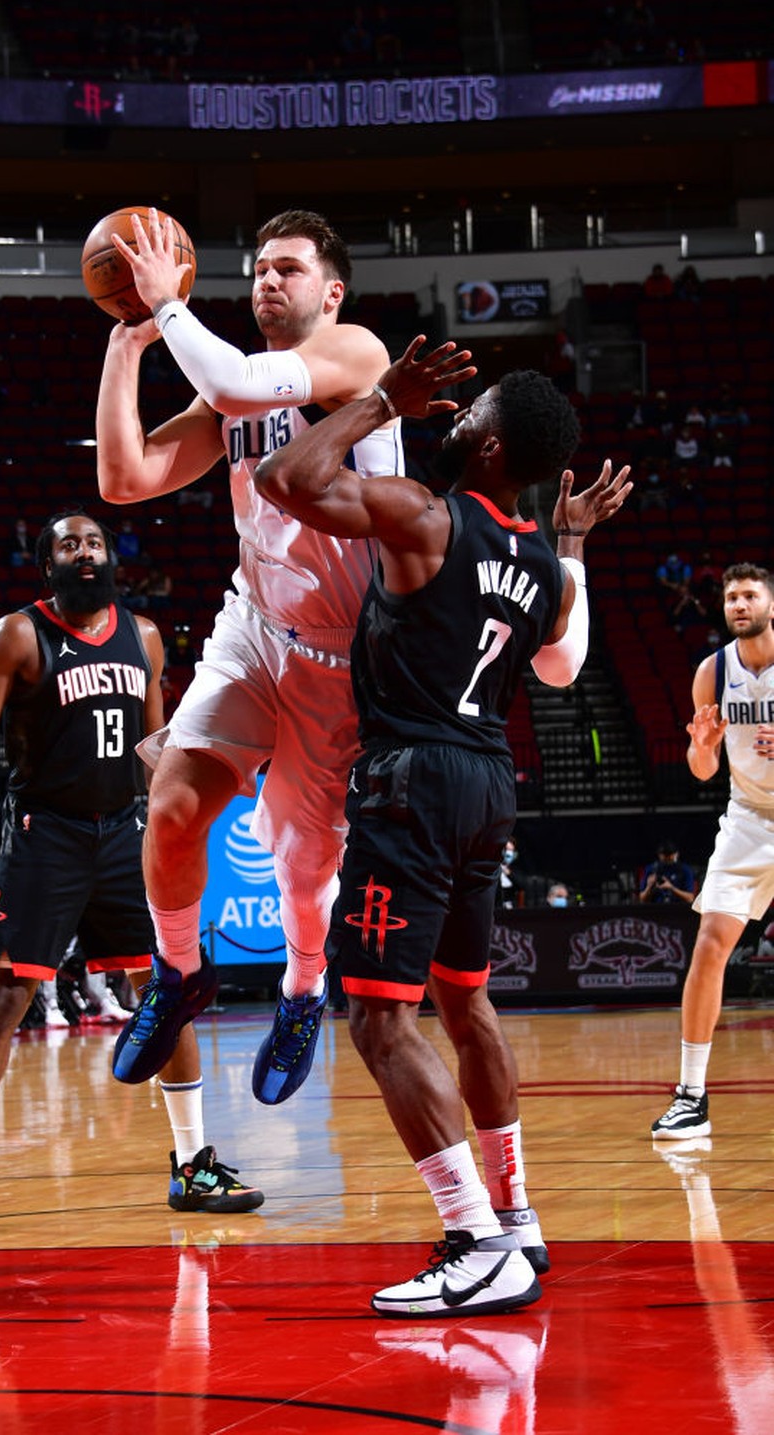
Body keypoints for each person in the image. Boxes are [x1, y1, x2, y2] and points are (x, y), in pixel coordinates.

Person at [252, 335, 631, 1316]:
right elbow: (563, 664)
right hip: (488, 781)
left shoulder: (427, 517)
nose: (453, 422)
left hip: (411, 780)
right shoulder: (545, 571)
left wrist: (383, 400)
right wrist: (574, 540)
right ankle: (517, 1216)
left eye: (472, 415)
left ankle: (473, 1239)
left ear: (496, 451)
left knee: (382, 1017)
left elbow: (284, 478)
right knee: (467, 1003)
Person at [97, 207, 403, 1105]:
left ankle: (304, 990)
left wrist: (167, 304)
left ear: (331, 290)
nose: (268, 281)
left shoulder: (358, 355)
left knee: (304, 870)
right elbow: (126, 478)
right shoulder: (229, 389)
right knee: (175, 805)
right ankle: (180, 971)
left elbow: (232, 381)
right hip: (253, 626)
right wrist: (128, 341)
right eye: (260, 268)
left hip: (342, 660)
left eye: (290, 269)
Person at [0, 510, 263, 1235]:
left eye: (94, 543)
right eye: (68, 545)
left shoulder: (142, 635)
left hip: (124, 832)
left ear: (112, 557)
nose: (84, 553)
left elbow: (157, 745)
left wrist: (171, 829)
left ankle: (193, 1163)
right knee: (7, 996)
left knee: (167, 991)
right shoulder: (17, 635)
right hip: (44, 832)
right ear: (46, 563)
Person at [651, 563, 774, 1141]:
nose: (740, 604)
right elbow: (702, 770)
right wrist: (702, 746)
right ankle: (691, 1097)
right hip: (749, 819)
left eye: (750, 595)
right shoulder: (712, 671)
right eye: (731, 597)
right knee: (710, 944)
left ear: (770, 603)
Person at [638, 841, 697, 906]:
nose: (667, 858)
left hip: (678, 908)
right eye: (665, 855)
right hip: (656, 908)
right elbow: (642, 899)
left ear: (676, 854)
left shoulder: (685, 870)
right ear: (659, 855)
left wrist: (671, 888)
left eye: (670, 855)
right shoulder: (651, 869)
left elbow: (690, 898)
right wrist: (649, 887)